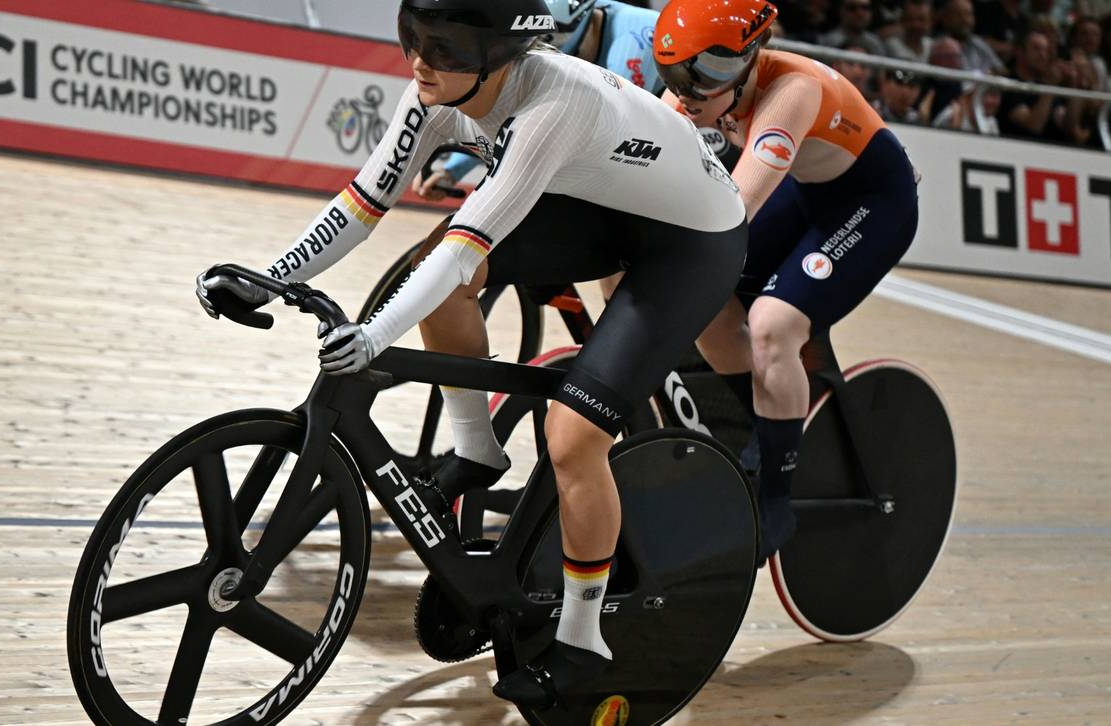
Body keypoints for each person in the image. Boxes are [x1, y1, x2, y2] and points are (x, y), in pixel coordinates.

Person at [198, 0, 747, 708]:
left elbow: (465, 251)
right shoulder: (436, 91)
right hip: (600, 203)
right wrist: (275, 278)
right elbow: (366, 201)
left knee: (574, 437)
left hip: (689, 242)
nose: (421, 61)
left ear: (497, 57)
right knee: (440, 267)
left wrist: (371, 339)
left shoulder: (551, 106)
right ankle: (476, 446)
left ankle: (584, 636)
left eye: (446, 47)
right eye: (414, 40)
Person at [655, 0, 920, 561]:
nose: (691, 91)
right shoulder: (698, 84)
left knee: (772, 325)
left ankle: (776, 490)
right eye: (678, 75)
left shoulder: (790, 90)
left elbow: (736, 209)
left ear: (750, 57)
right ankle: (756, 425)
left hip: (873, 200)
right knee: (707, 299)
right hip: (810, 188)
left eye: (709, 75)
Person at [415, 0, 669, 198]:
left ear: (587, 21)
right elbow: (513, 112)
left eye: (554, 46)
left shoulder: (633, 43)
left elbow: (615, 133)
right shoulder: (573, 26)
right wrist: (452, 169)